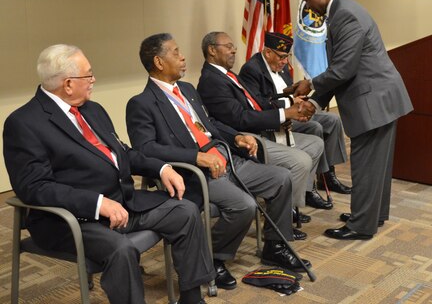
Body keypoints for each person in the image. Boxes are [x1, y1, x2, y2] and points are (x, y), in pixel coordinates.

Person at [2, 44, 215, 304]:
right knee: (122, 250)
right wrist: (98, 204)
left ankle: (192, 298)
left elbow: (122, 153)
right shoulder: (24, 123)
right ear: (68, 84)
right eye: (88, 75)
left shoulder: (93, 110)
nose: (93, 80)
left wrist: (162, 168)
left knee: (185, 211)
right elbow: (34, 187)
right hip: (72, 220)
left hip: (123, 204)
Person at [125, 33, 312, 289]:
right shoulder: (141, 104)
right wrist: (195, 157)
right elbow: (145, 149)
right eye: (176, 52)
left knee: (281, 178)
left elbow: (210, 125)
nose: (182, 57)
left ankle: (275, 246)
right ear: (158, 62)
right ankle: (212, 258)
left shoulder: (188, 90)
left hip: (226, 157)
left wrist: (237, 138)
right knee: (244, 205)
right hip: (196, 172)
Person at [293, 0, 414, 240]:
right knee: (377, 165)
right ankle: (372, 215)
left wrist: (310, 86)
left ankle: (361, 225)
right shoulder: (345, 9)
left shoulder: (344, 14)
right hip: (380, 98)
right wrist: (316, 101)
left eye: (308, 1)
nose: (310, 8)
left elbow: (343, 70)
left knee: (367, 164)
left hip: (373, 101)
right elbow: (342, 69)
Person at [196, 32, 328, 217]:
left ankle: (294, 202)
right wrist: (283, 113)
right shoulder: (211, 81)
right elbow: (239, 119)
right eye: (228, 46)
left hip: (261, 128)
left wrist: (285, 113)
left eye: (233, 46)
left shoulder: (228, 75)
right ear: (211, 50)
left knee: (316, 144)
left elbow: (257, 102)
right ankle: (283, 214)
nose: (234, 50)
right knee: (301, 160)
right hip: (245, 138)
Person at [239, 31, 351, 195]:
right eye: (282, 57)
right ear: (268, 52)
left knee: (333, 120)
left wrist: (299, 98)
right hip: (277, 118)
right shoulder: (251, 69)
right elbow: (258, 103)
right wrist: (291, 102)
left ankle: (327, 175)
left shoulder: (282, 67)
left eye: (287, 57)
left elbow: (288, 91)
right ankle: (308, 188)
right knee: (315, 126)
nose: (285, 62)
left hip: (294, 110)